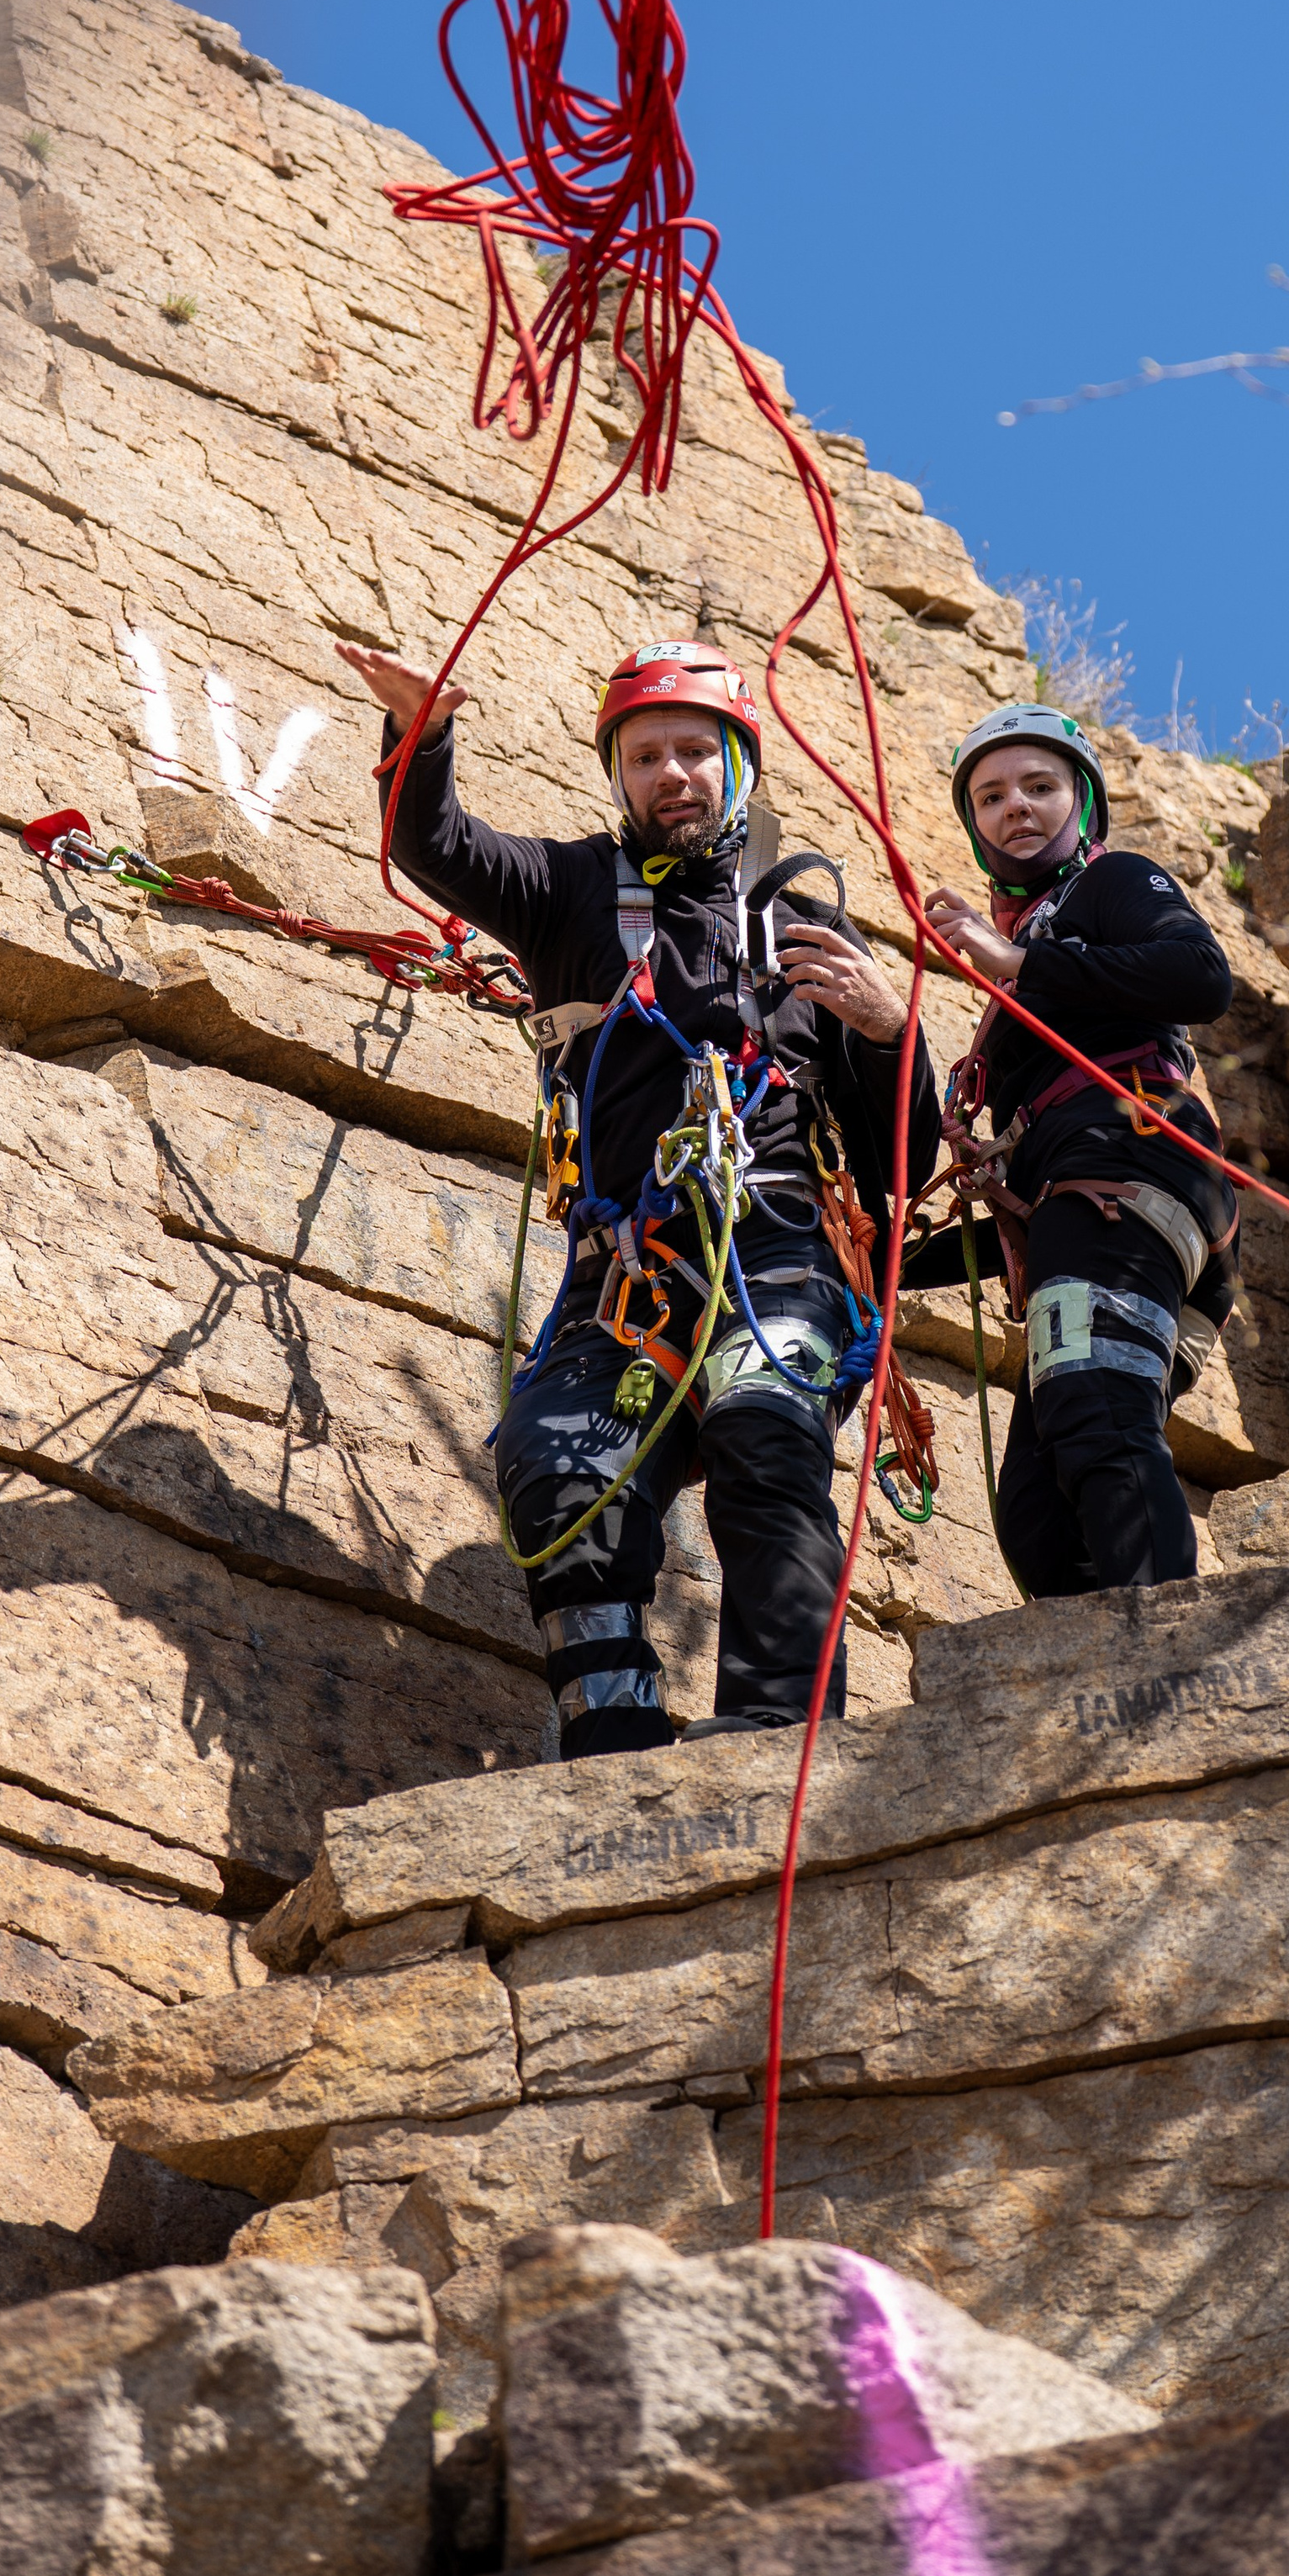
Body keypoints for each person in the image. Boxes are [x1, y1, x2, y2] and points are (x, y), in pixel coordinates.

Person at [335, 635, 938, 1759]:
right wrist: (423, 735)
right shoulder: (567, 893)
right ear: (618, 775)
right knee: (556, 1471)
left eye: (695, 752)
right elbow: (439, 845)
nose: (672, 774)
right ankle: (612, 1737)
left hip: (777, 1256)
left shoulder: (805, 924)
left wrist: (892, 1030)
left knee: (768, 1438)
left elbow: (903, 1163)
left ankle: (779, 1731)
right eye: (647, 755)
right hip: (630, 1275)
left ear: (738, 767)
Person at [917, 704, 1237, 1597]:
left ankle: (1167, 1653)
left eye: (1039, 786)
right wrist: (885, 1264)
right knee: (1036, 1510)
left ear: (1083, 800)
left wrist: (1019, 966)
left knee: (1094, 1411)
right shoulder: (1030, 941)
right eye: (989, 796)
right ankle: (1093, 1692)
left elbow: (1200, 977)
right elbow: (1040, 1217)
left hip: (1135, 1163)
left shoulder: (1112, 884)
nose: (1014, 806)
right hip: (1093, 1199)